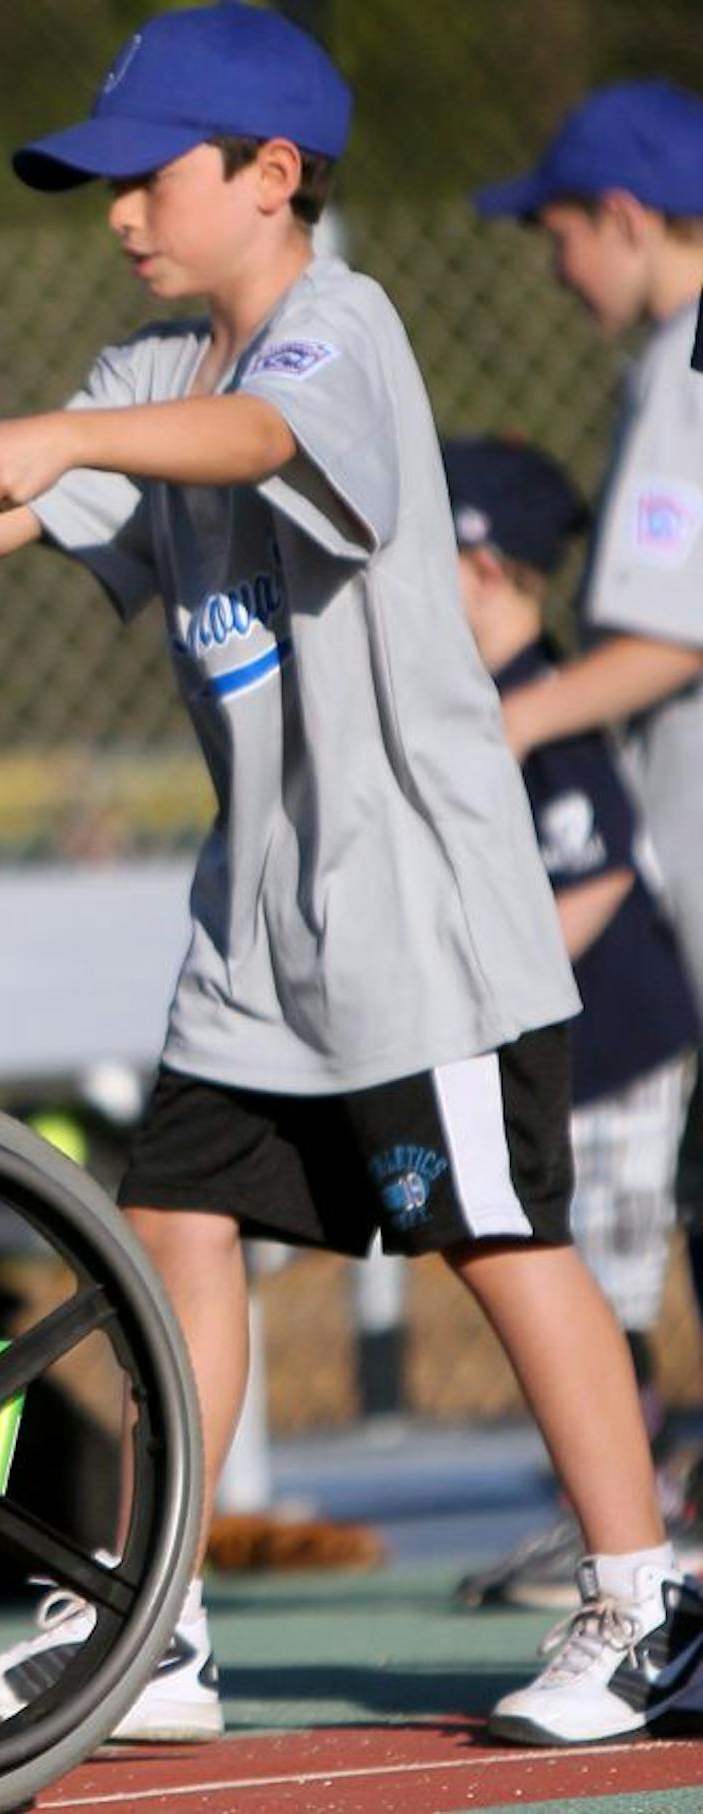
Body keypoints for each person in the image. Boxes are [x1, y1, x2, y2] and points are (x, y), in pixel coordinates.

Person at [0, 2, 699, 1751]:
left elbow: (254, 445)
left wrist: (71, 440)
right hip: (258, 928)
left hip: (421, 920)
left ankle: (642, 1590)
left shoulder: (342, 333)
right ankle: (151, 1617)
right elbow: (13, 499)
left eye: (145, 176)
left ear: (269, 177)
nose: (116, 213)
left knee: (493, 1231)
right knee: (175, 1220)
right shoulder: (136, 380)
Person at [475, 81, 703, 1455]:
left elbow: (671, 636)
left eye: (560, 232)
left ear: (624, 217)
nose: (556, 267)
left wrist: (507, 723)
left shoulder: (686, 364)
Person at [439, 435, 702, 1612]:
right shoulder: (483, 702)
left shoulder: (537, 706)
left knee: (615, 1290)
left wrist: (494, 968)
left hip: (624, 1050)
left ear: (487, 564)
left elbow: (596, 873)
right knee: (587, 1273)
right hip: (568, 1056)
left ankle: (640, 1521)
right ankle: (601, 1516)